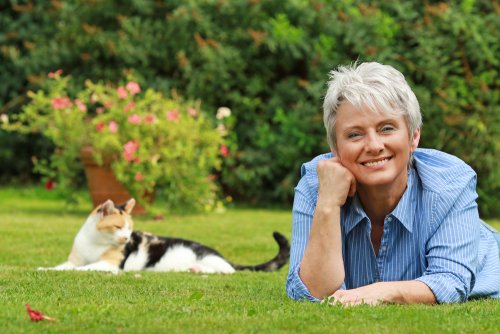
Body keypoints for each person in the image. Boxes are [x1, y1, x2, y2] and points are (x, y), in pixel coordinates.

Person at [286, 62, 500, 305]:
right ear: (335, 147)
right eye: (355, 134)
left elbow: (451, 281)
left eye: (386, 128)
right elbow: (310, 292)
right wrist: (327, 203)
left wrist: (378, 292)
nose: (374, 145)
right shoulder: (316, 185)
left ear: (413, 136)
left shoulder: (450, 183)